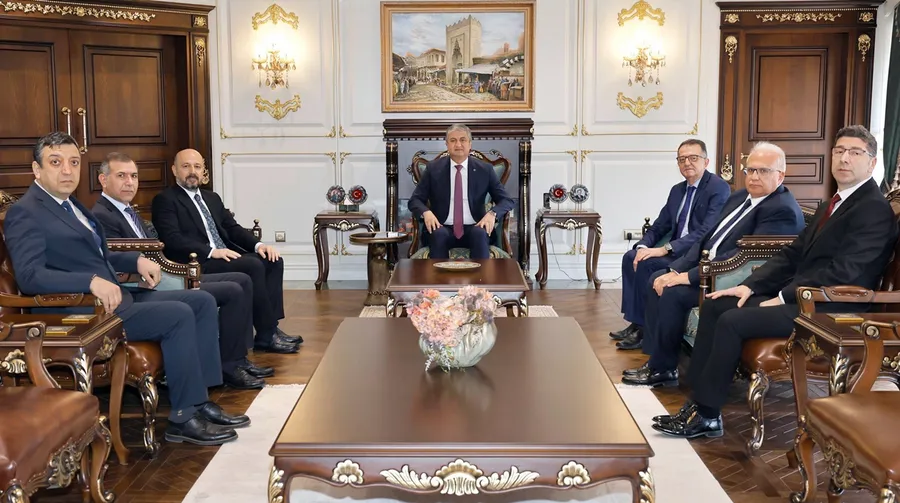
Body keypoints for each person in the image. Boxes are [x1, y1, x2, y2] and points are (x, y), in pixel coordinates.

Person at [654, 125, 899, 439]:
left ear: (872, 162)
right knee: (718, 305)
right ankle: (698, 404)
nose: (844, 159)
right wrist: (751, 285)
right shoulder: (835, 202)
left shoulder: (873, 209)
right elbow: (792, 254)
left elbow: (845, 273)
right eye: (839, 151)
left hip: (831, 307)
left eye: (855, 152)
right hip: (806, 296)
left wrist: (783, 296)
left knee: (732, 321)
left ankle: (708, 415)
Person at [4, 132, 246, 446]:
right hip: (84, 312)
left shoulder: (69, 204)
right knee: (179, 314)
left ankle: (199, 400)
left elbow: (99, 254)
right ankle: (183, 418)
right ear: (37, 169)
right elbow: (30, 276)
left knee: (200, 301)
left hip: (115, 298)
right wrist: (89, 282)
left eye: (74, 162)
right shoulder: (26, 212)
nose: (67, 170)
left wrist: (136, 260)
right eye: (56, 162)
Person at [621, 141, 804, 387]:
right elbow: (706, 238)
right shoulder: (740, 196)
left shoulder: (781, 210)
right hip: (710, 268)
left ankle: (662, 368)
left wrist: (688, 277)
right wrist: (676, 269)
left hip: (730, 280)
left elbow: (743, 260)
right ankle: (660, 363)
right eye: (750, 170)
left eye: (763, 171)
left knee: (673, 293)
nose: (754, 176)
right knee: (657, 278)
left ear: (780, 175)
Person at [91, 152, 273, 389]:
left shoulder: (127, 210)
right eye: (121, 176)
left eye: (133, 176)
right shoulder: (101, 216)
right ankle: (228, 367)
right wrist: (177, 272)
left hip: (162, 277)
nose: (129, 182)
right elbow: (116, 262)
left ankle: (236, 360)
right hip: (146, 286)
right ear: (103, 180)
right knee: (232, 290)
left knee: (242, 280)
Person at [151, 149, 300, 354]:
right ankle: (267, 335)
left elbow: (233, 228)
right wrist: (211, 251)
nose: (192, 171)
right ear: (175, 170)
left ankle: (271, 328)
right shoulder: (165, 200)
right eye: (186, 166)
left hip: (225, 255)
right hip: (197, 262)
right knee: (253, 265)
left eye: (197, 166)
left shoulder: (211, 197)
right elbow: (172, 239)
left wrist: (259, 246)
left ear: (203, 171)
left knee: (272, 260)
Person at [611, 139, 730, 350]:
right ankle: (636, 322)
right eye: (682, 159)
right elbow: (660, 225)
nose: (687, 163)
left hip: (693, 255)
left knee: (647, 265)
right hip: (675, 250)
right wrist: (642, 247)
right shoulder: (677, 190)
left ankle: (644, 330)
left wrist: (664, 249)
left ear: (706, 161)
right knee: (632, 257)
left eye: (693, 158)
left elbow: (705, 232)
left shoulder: (718, 188)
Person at [407, 123, 515, 259]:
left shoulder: (484, 169)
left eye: (463, 140)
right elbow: (415, 200)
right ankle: (439, 274)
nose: (458, 144)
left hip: (475, 226)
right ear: (447, 144)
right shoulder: (433, 169)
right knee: (438, 234)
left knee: (479, 234)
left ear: (470, 144)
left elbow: (507, 200)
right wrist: (426, 212)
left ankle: (481, 274)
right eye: (453, 140)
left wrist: (492, 214)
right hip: (442, 227)